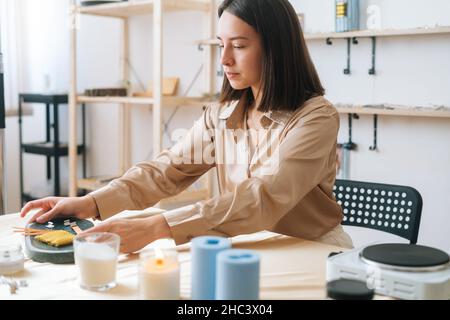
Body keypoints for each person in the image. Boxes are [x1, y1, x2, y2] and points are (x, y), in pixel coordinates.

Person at [20, 0, 353, 253]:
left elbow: (264, 197)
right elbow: (167, 170)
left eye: (238, 46)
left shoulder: (315, 118)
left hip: (309, 248)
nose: (224, 61)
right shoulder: (223, 114)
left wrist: (157, 226)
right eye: (220, 45)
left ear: (276, 49)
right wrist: (91, 202)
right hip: (244, 245)